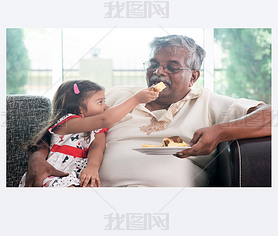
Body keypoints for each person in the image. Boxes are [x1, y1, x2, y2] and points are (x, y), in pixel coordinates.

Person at [23, 34, 271, 187]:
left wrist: (220, 132)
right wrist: (36, 160)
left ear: (193, 76)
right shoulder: (118, 96)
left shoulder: (210, 102)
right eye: (153, 65)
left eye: (171, 67)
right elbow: (62, 124)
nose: (158, 73)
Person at [19, 79, 159, 187]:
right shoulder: (68, 123)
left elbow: (97, 148)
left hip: (77, 176)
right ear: (79, 109)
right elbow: (106, 119)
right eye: (100, 102)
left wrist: (92, 167)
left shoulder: (97, 130)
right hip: (52, 175)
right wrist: (136, 99)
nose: (105, 106)